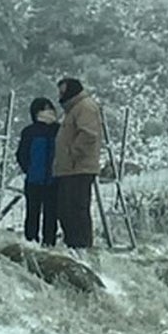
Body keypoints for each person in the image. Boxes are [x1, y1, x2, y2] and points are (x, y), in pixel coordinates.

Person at [52, 77, 102, 249]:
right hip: (70, 169)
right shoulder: (73, 109)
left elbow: (88, 135)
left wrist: (72, 153)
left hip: (78, 168)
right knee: (66, 210)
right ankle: (74, 245)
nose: (60, 96)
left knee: (76, 211)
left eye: (62, 92)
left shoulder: (84, 107)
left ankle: (81, 248)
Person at [15, 97, 59, 246]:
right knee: (32, 214)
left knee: (51, 216)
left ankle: (49, 244)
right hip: (34, 180)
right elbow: (22, 154)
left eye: (49, 108)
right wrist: (30, 169)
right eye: (44, 109)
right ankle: (31, 242)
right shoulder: (29, 132)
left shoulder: (58, 131)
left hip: (53, 181)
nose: (48, 112)